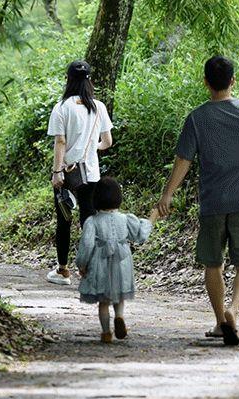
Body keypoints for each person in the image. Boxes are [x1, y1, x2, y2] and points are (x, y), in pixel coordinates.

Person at [158, 55, 239, 346]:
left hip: (213, 203)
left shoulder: (197, 118)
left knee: (213, 263)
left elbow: (184, 159)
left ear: (206, 82)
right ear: (232, 81)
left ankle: (221, 320)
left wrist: (167, 194)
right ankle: (234, 310)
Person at [47, 59, 113, 285]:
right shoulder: (99, 107)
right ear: (89, 81)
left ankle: (63, 271)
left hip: (67, 173)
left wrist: (57, 172)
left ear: (68, 80)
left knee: (64, 220)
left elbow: (60, 142)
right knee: (88, 219)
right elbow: (107, 142)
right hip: (91, 173)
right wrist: (89, 147)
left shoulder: (62, 108)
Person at [76, 177, 157, 343]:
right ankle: (119, 316)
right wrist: (153, 217)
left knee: (103, 302)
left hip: (100, 263)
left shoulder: (92, 221)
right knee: (119, 296)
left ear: (96, 199)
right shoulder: (126, 219)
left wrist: (82, 264)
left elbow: (87, 245)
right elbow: (140, 235)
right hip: (122, 262)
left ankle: (106, 333)